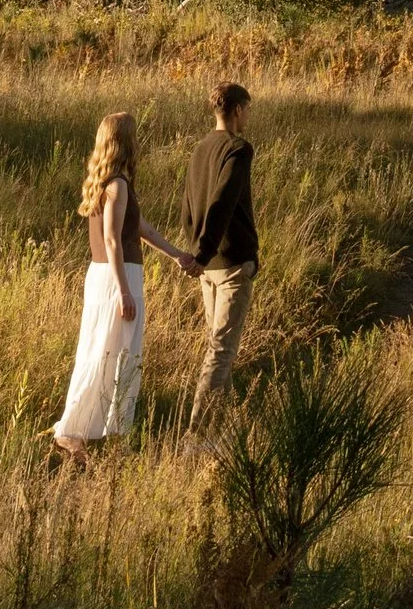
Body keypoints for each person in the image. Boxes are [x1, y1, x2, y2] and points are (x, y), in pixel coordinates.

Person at [50, 109, 182, 462]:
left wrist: (176, 255)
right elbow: (112, 239)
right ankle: (85, 431)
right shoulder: (118, 184)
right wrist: (124, 290)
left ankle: (85, 429)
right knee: (118, 353)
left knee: (101, 350)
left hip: (103, 275)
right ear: (125, 140)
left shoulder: (107, 180)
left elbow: (139, 228)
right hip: (116, 276)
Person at [179, 79, 259, 433]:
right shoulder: (238, 149)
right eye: (247, 111)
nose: (247, 118)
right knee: (221, 352)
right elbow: (222, 202)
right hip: (228, 265)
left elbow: (188, 206)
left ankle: (225, 431)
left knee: (219, 347)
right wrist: (204, 251)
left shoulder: (200, 149)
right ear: (238, 109)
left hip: (207, 266)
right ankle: (197, 437)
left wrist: (195, 250)